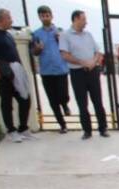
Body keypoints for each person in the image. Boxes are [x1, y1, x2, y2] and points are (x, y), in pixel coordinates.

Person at [0, 8, 35, 143]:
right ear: (1, 19)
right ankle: (11, 131)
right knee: (7, 102)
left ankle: (23, 128)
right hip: (4, 73)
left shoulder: (8, 34)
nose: (11, 20)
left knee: (25, 99)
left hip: (16, 72)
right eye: (9, 18)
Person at [59, 10, 108, 139]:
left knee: (98, 101)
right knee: (82, 103)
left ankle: (103, 128)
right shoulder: (65, 35)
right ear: (76, 19)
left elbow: (98, 52)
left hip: (93, 71)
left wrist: (93, 61)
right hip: (77, 73)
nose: (86, 22)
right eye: (83, 19)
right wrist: (82, 62)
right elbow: (64, 55)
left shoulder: (88, 35)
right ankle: (87, 130)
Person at [30, 6, 71, 134]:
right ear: (39, 17)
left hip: (61, 69)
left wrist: (60, 40)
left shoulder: (60, 31)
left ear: (51, 16)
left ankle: (64, 104)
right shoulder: (36, 34)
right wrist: (38, 48)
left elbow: (68, 48)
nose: (45, 17)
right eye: (42, 15)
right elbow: (34, 52)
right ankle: (62, 124)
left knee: (63, 95)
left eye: (47, 15)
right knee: (52, 99)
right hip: (46, 71)